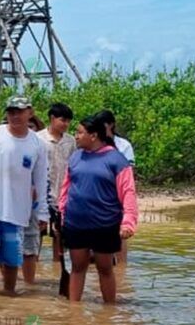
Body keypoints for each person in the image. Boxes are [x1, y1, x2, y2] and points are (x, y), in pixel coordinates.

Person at [0, 96, 49, 296]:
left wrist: (42, 213)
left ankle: (9, 293)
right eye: (11, 111)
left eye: (19, 111)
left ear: (29, 112)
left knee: (13, 256)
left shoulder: (37, 144)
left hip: (18, 209)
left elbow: (40, 180)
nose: (14, 116)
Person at [59, 114, 139, 303]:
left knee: (105, 268)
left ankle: (109, 313)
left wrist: (128, 222)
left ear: (93, 135)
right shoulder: (76, 157)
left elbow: (128, 192)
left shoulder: (116, 159)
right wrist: (62, 214)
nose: (76, 136)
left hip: (105, 224)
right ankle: (74, 311)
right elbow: (66, 188)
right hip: (76, 223)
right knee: (77, 267)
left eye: (79, 132)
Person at [37, 103, 76, 262]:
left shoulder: (71, 141)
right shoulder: (38, 138)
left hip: (62, 194)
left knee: (59, 236)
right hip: (42, 194)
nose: (66, 124)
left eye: (68, 121)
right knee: (37, 235)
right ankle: (33, 269)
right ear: (52, 119)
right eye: (63, 120)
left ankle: (57, 268)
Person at [97, 109, 135, 264]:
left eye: (102, 125)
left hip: (116, 192)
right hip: (98, 192)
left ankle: (121, 266)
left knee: (120, 231)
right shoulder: (94, 143)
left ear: (111, 125)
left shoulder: (124, 145)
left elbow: (129, 173)